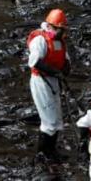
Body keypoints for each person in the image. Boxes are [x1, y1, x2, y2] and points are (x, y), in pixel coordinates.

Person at [27, 9, 71, 162]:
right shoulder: (40, 40)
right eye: (60, 29)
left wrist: (64, 71)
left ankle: (51, 151)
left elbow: (66, 61)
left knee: (57, 119)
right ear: (51, 26)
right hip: (41, 81)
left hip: (54, 80)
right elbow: (34, 62)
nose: (62, 33)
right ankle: (42, 154)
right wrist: (55, 72)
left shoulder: (59, 42)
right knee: (49, 120)